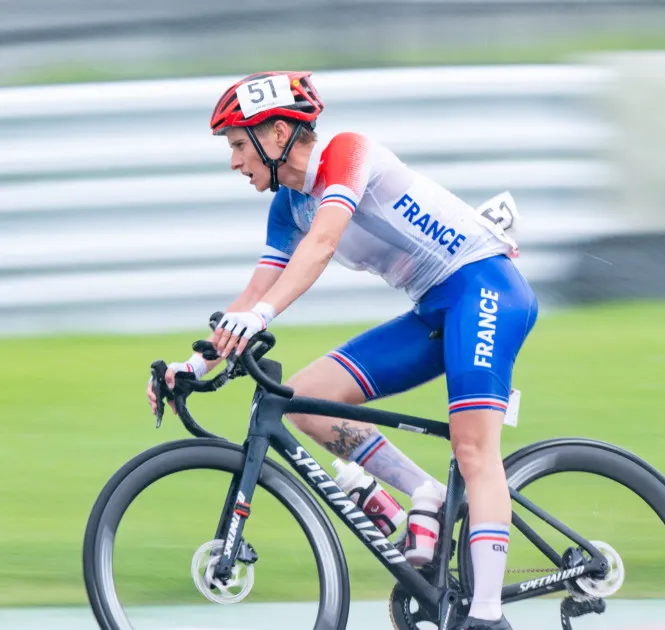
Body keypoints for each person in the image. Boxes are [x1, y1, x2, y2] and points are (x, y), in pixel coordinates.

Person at [146, 70, 537, 629]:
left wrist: (259, 318)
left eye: (237, 144)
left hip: (485, 290)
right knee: (304, 399)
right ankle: (424, 494)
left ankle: (488, 615)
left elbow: (324, 244)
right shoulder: (287, 208)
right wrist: (194, 362)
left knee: (475, 451)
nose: (234, 161)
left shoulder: (347, 154)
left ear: (278, 134)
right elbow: (255, 292)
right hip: (434, 308)